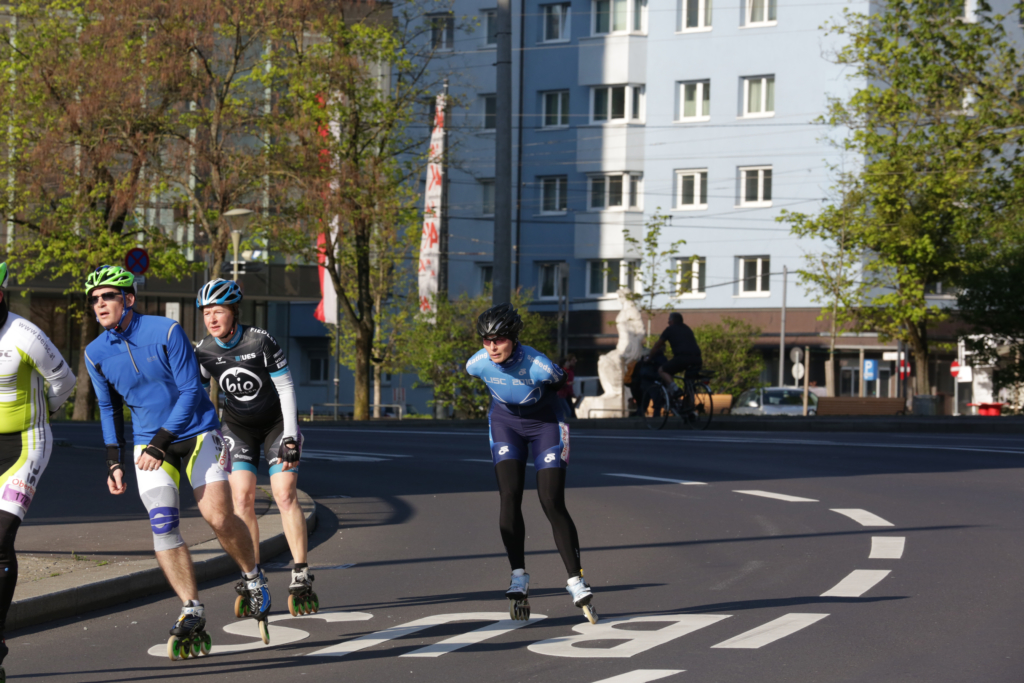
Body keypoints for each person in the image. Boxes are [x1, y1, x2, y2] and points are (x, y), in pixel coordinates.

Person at [83, 265, 272, 657]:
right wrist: (113, 459)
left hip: (197, 431)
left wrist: (161, 441)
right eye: (94, 299)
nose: (99, 304)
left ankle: (253, 578)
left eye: (108, 297)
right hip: (148, 443)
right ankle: (191, 608)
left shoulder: (166, 331)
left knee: (218, 516)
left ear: (128, 299)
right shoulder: (94, 352)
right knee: (162, 524)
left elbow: (190, 391)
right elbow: (108, 407)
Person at [466, 303, 598, 625]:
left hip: (546, 425)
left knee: (550, 500)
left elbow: (559, 382)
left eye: (499, 339)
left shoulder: (539, 365)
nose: (492, 347)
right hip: (505, 425)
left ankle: (575, 579)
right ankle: (518, 575)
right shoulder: (476, 364)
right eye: (486, 340)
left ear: (514, 339)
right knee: (509, 495)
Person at [193, 279, 315, 616]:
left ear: (234, 312)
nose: (211, 318)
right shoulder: (203, 350)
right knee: (242, 498)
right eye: (206, 312)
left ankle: (301, 573)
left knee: (284, 494)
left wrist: (290, 436)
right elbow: (199, 396)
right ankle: (254, 579)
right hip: (238, 427)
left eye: (218, 311)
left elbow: (286, 388)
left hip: (276, 424)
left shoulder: (260, 340)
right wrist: (210, 434)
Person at [0, 263, 75, 679]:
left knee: (0, 536)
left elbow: (65, 380)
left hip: (26, 443)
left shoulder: (24, 334)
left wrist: (45, 411)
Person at [647, 311, 702, 398]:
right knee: (689, 385)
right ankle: (689, 403)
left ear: (672, 321)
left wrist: (649, 358)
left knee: (662, 370)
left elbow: (657, 346)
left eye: (669, 320)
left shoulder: (669, 329)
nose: (668, 322)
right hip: (697, 359)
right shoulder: (687, 328)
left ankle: (676, 390)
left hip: (683, 359)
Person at [556, 354, 577, 419]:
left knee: (567, 411)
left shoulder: (568, 371)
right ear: (563, 364)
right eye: (567, 362)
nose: (568, 364)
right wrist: (568, 384)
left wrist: (571, 393)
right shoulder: (563, 372)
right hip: (560, 395)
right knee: (568, 412)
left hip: (563, 395)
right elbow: (560, 382)